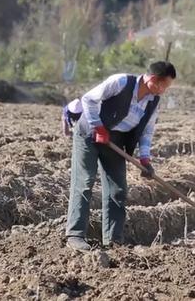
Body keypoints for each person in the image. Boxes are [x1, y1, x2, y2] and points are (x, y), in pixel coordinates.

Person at [65, 61, 176, 251]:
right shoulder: (121, 82)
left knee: (118, 189)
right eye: (164, 85)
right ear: (153, 79)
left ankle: (113, 240)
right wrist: (98, 127)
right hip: (90, 132)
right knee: (84, 182)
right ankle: (75, 235)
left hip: (114, 139)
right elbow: (88, 99)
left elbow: (147, 130)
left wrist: (145, 158)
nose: (164, 91)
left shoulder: (153, 101)